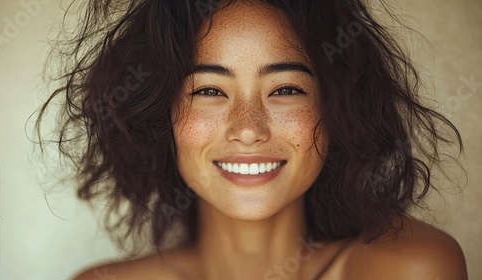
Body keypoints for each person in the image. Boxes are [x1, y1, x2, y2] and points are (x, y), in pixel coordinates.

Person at [36, 0, 468, 279]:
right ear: (156, 115)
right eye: (208, 91)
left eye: (285, 90)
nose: (247, 128)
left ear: (338, 108)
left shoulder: (411, 269)